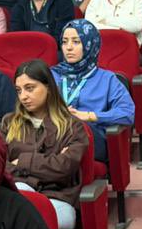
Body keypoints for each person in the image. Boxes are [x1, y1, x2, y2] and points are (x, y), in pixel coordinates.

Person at [3, 59, 86, 229]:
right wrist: (48, 164)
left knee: (17, 216)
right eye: (19, 90)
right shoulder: (8, 123)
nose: (23, 96)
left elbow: (64, 168)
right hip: (19, 192)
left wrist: (22, 162)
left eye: (30, 88)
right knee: (18, 202)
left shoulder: (72, 126)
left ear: (48, 87)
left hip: (57, 200)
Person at [52, 20, 134, 162]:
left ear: (90, 44)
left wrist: (89, 116)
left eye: (76, 42)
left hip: (91, 138)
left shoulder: (107, 79)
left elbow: (127, 113)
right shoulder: (51, 75)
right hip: (53, 133)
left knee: (78, 129)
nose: (68, 47)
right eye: (64, 42)